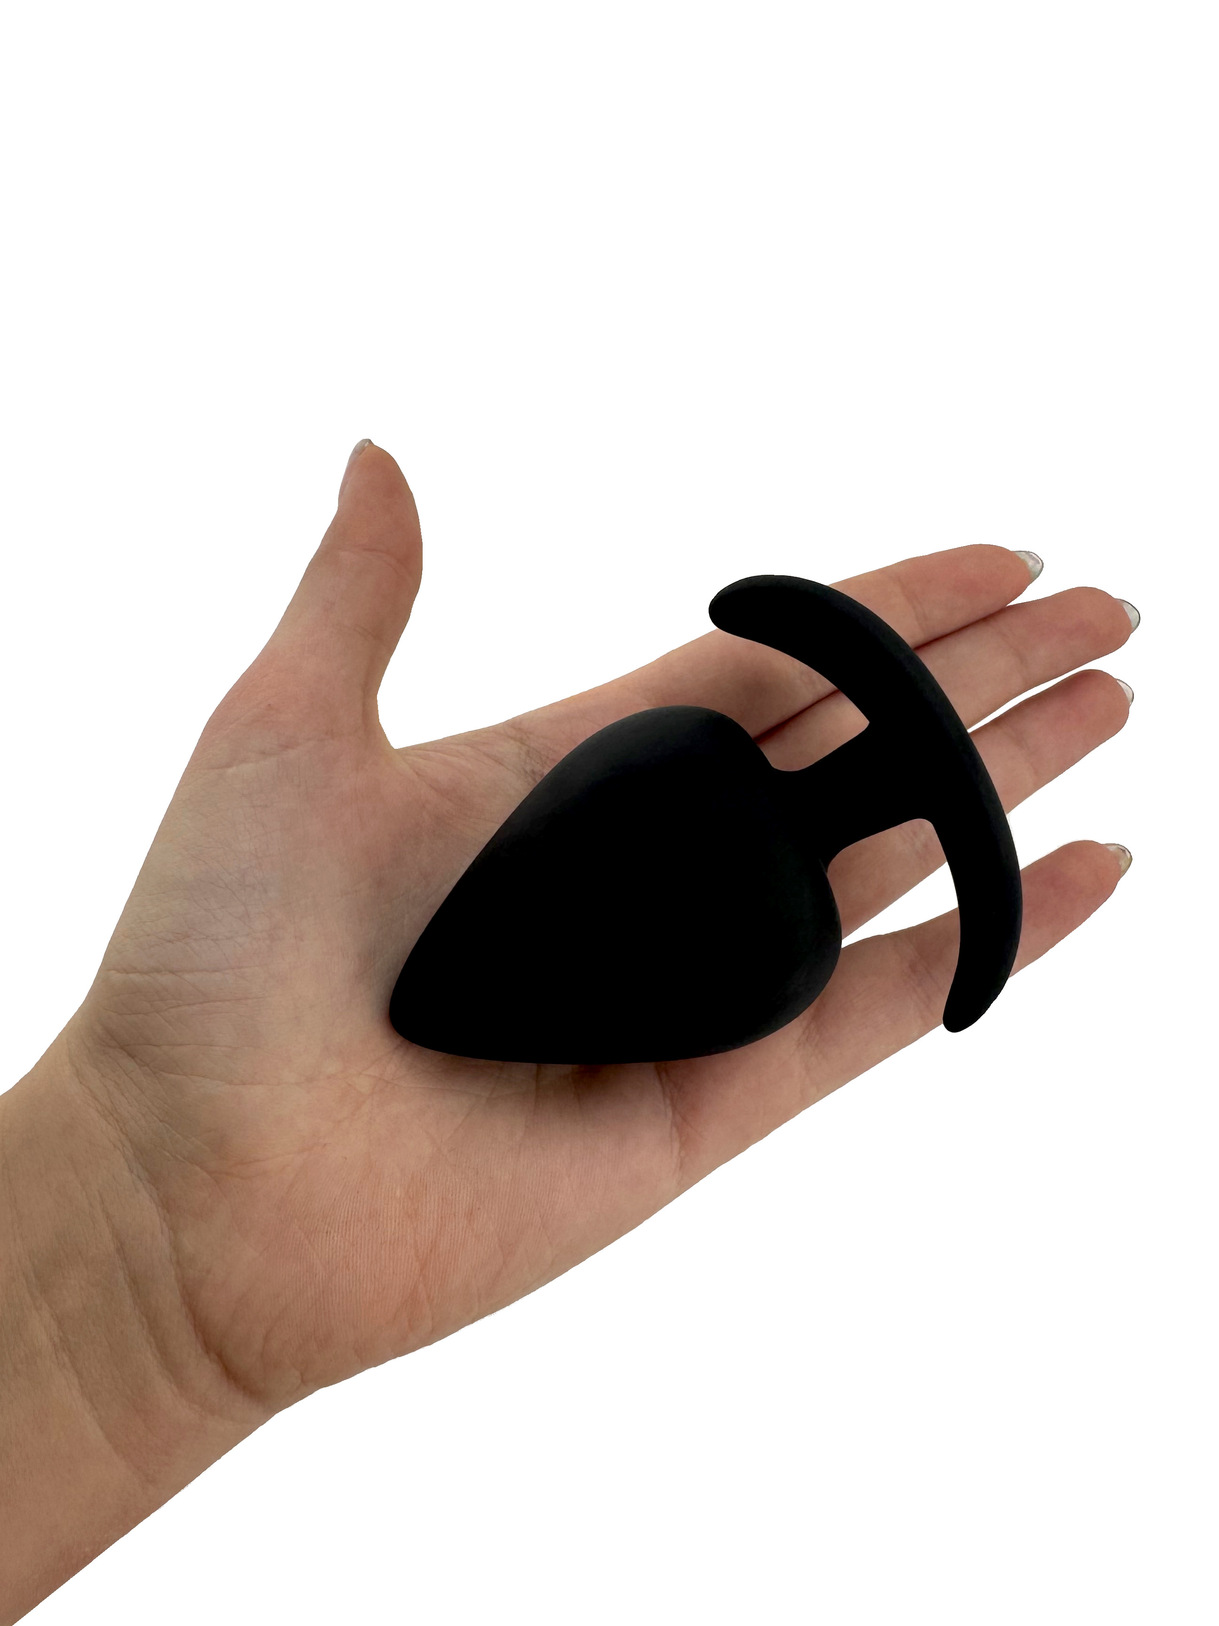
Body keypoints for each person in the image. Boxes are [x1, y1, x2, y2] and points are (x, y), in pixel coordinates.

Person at [0, 439, 1138, 1620]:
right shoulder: (768, 918)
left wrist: (132, 1244)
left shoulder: (703, 791)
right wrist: (139, 1239)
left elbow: (749, 614)